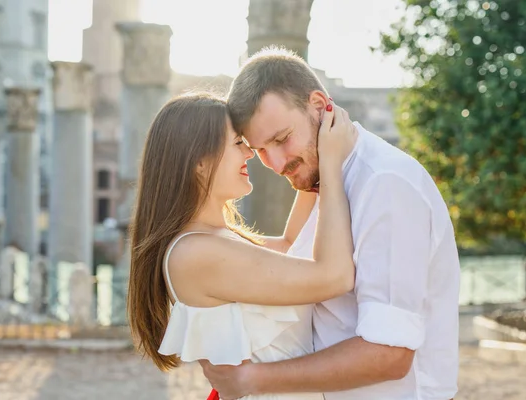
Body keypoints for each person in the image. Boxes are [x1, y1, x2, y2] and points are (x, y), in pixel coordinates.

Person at [200, 47, 461, 400]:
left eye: (281, 139)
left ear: (320, 105)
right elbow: (290, 251)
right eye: (260, 150)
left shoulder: (385, 185)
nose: (276, 164)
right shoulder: (326, 177)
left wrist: (252, 380)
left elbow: (390, 354)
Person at [126, 91, 358, 399]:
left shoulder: (213, 241)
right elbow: (335, 277)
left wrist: (312, 151)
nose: (249, 154)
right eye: (238, 143)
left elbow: (291, 245)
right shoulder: (195, 253)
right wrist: (330, 162)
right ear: (199, 161)